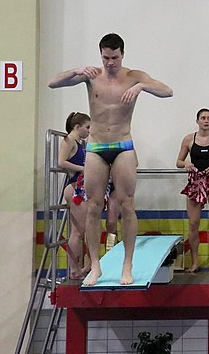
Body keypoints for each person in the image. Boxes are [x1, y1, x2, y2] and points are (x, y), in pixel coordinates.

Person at [48, 32, 173, 286]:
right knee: (94, 206)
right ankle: (95, 266)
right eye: (105, 58)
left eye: (114, 58)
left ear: (122, 54)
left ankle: (128, 265)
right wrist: (75, 70)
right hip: (96, 147)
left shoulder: (133, 77)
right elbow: (52, 83)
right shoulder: (91, 76)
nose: (110, 63)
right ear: (101, 55)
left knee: (127, 204)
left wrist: (141, 86)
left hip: (123, 145)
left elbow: (167, 91)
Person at [175, 108, 209, 273]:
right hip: (196, 182)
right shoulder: (189, 139)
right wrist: (186, 164)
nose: (206, 121)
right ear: (197, 121)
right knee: (193, 224)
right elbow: (178, 161)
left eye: (208, 118)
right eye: (203, 118)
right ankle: (194, 262)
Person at [57, 112, 91, 280]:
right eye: (87, 127)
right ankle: (75, 268)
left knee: (79, 231)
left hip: (81, 187)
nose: (89, 131)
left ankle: (77, 268)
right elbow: (61, 162)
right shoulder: (69, 140)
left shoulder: (80, 143)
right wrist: (81, 169)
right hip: (74, 187)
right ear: (78, 127)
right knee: (80, 231)